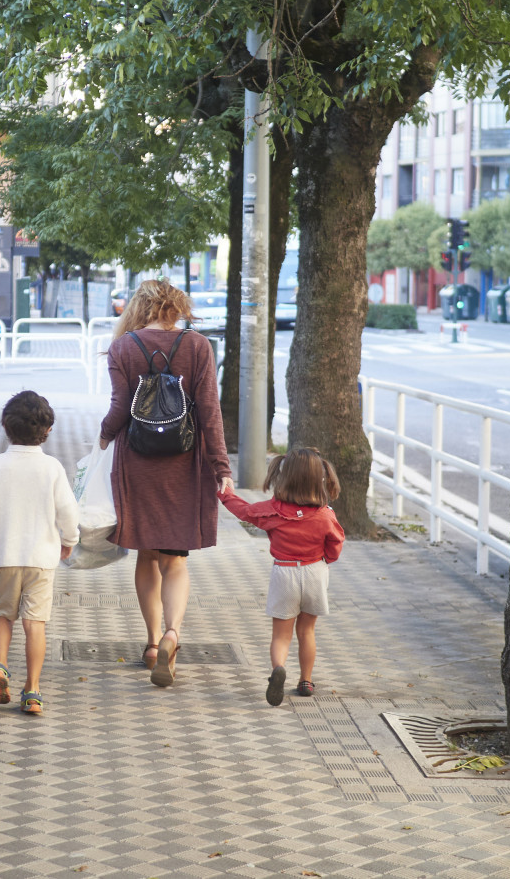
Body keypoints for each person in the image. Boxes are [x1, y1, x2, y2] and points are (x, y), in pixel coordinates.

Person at [98, 279, 233, 687]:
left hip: (138, 462)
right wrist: (221, 468)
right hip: (185, 463)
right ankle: (174, 632)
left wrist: (102, 438)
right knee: (175, 559)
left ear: (141, 307)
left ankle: (154, 643)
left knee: (146, 555)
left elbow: (120, 407)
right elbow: (210, 411)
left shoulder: (123, 348)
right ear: (178, 307)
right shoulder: (198, 347)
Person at [0, 391, 80, 715]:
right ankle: (34, 691)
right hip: (41, 560)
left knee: (3, 615)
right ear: (48, 430)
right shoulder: (52, 468)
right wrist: (70, 539)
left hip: (4, 558)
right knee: (35, 624)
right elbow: (68, 512)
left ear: (4, 426)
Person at [218, 447, 345, 706]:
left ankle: (278, 669)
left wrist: (225, 493)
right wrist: (326, 562)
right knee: (307, 630)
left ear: (285, 477)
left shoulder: (274, 511)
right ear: (319, 479)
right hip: (315, 572)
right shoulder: (325, 515)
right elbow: (335, 545)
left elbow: (244, 511)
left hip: (284, 572)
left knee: (281, 635)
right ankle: (306, 681)